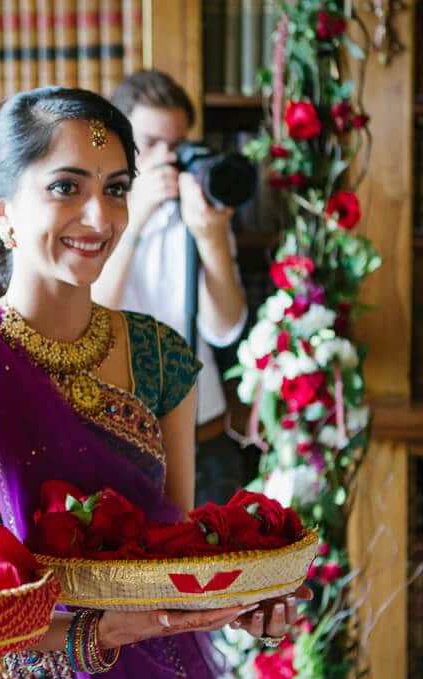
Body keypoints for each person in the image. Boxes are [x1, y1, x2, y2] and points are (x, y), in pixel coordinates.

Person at [0, 87, 300, 679]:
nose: (100, 216)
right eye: (67, 186)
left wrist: (244, 595)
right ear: (1, 209)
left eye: (117, 188)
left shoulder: (159, 356)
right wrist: (88, 633)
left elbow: (170, 553)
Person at [92, 70, 249, 508]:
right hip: (119, 438)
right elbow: (91, 315)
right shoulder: (91, 214)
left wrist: (212, 238)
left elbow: (226, 327)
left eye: (176, 145)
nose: (166, 158)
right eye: (151, 143)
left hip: (205, 432)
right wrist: (135, 216)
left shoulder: (200, 210)